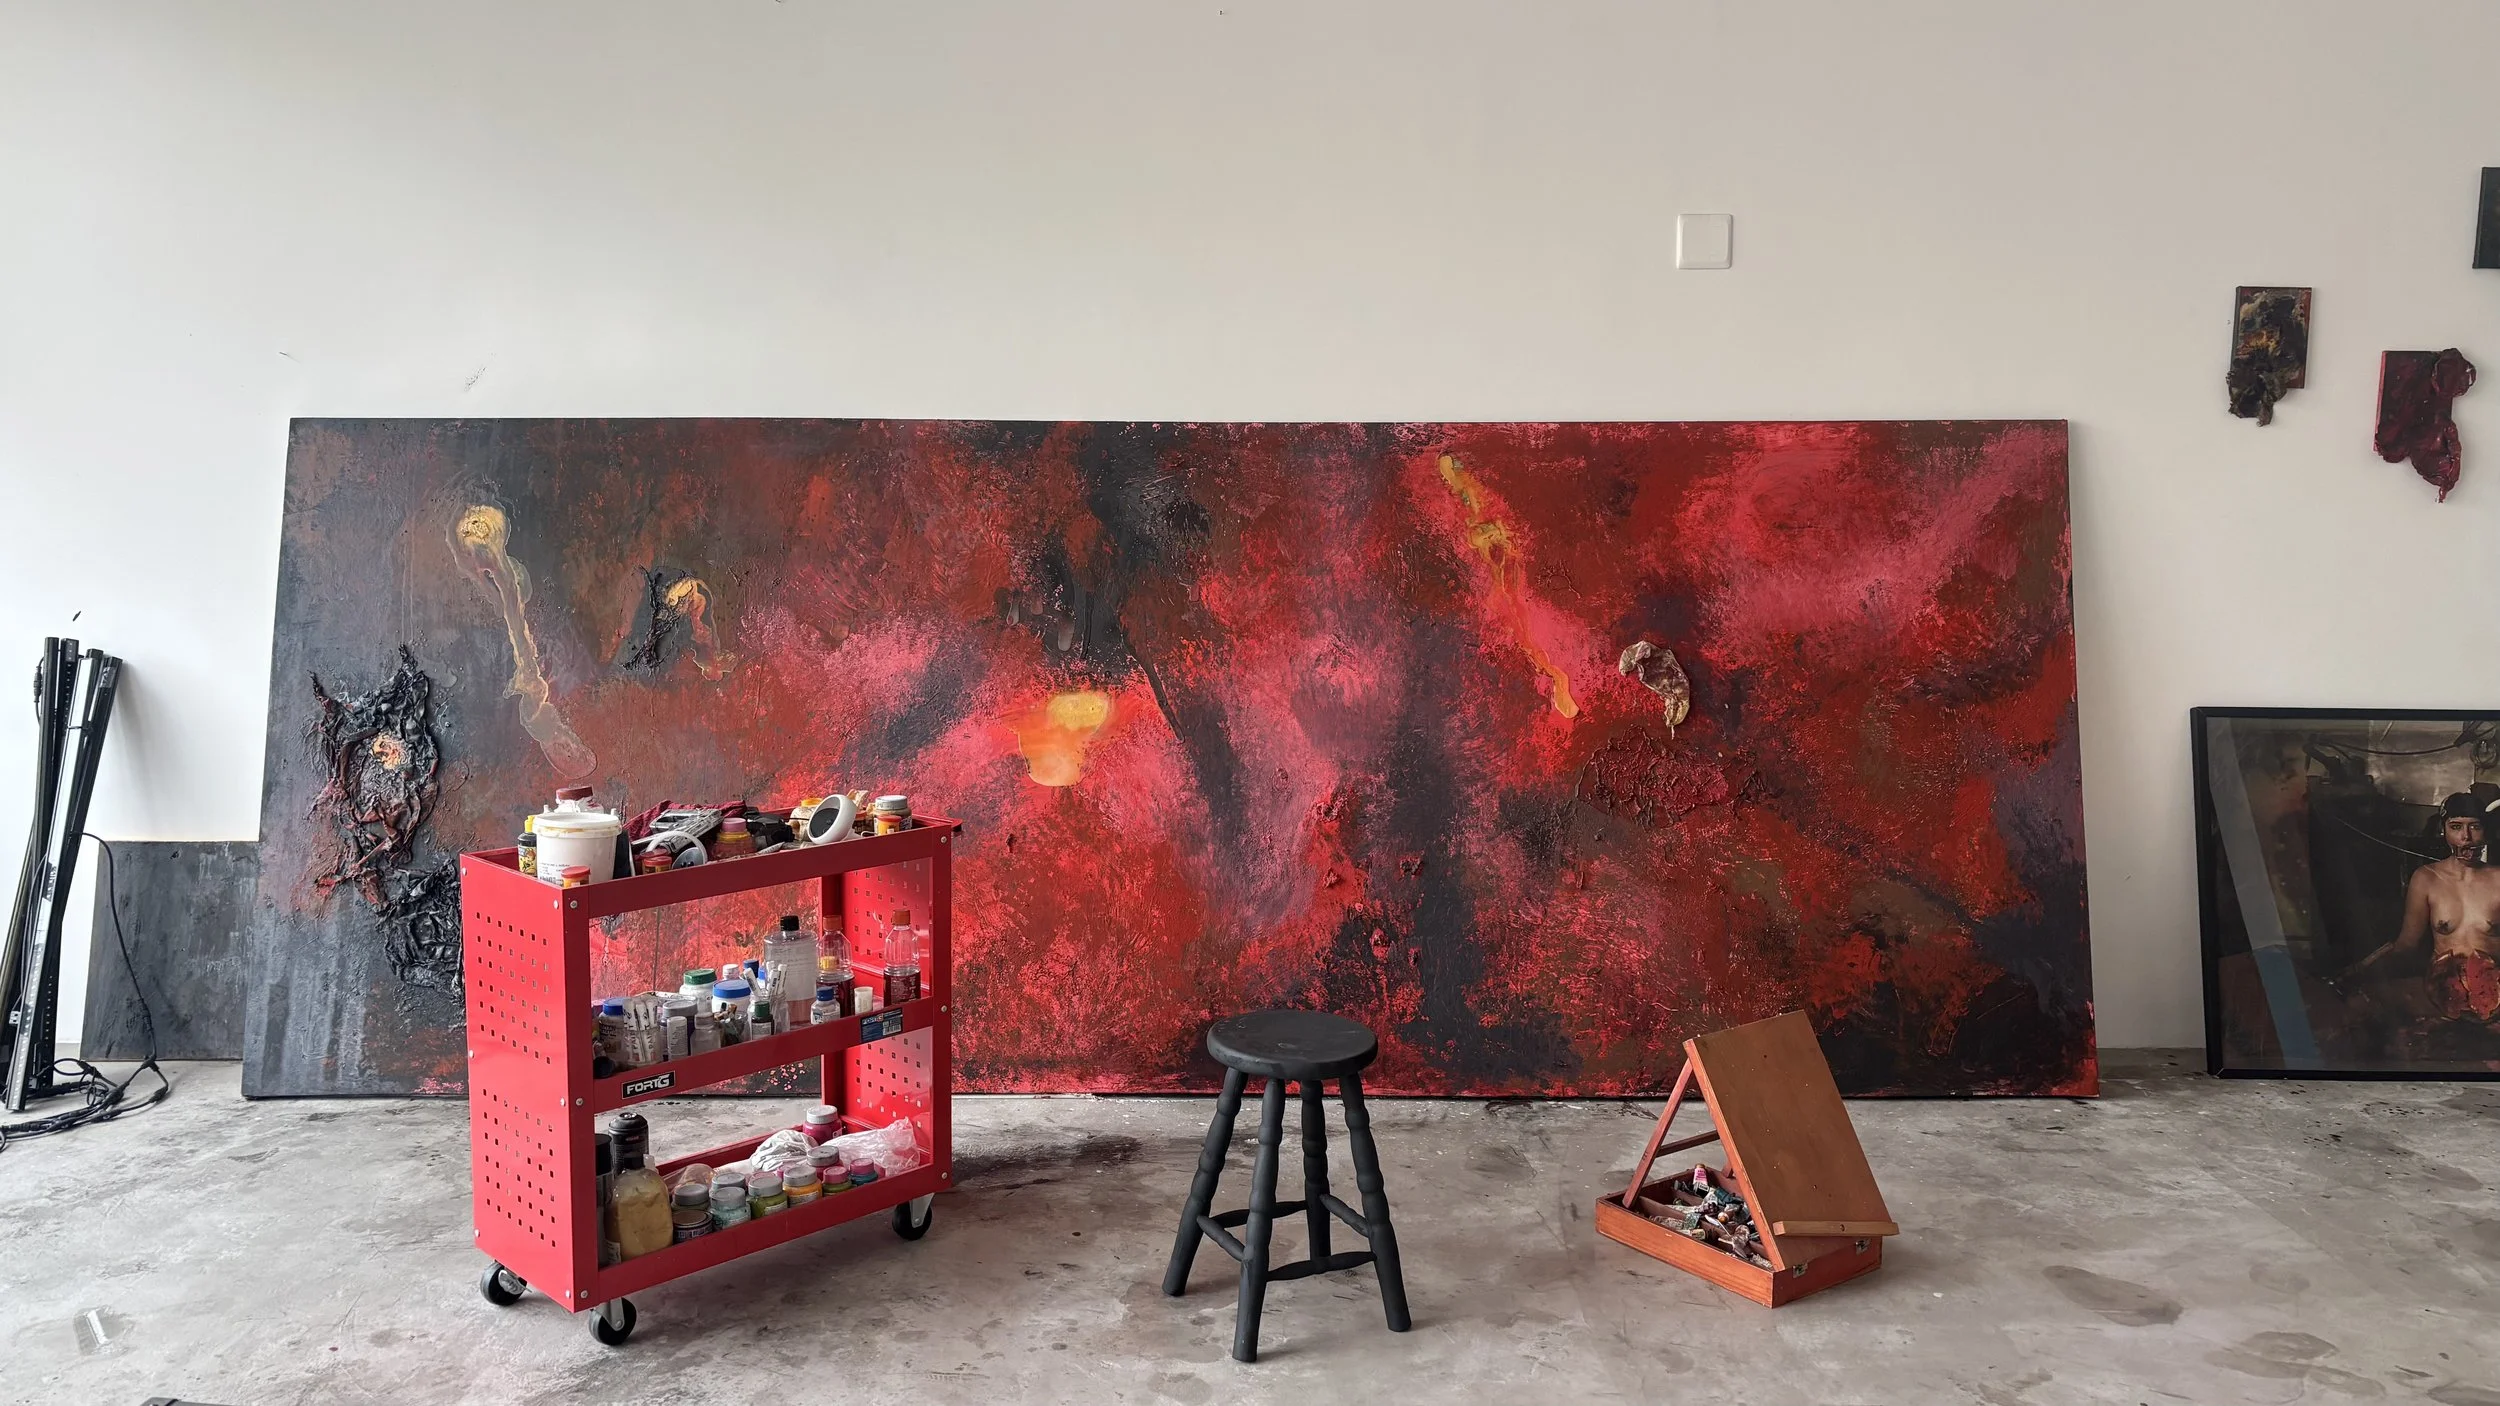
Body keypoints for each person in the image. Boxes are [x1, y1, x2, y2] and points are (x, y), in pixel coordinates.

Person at [2344, 792, 2500, 1030]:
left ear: (2485, 831)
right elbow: (2406, 945)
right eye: (2456, 827)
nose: (2466, 837)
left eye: (2474, 827)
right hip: (2439, 993)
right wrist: (2361, 971)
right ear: (2444, 830)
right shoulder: (2426, 879)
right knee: (2358, 1005)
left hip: (2492, 997)